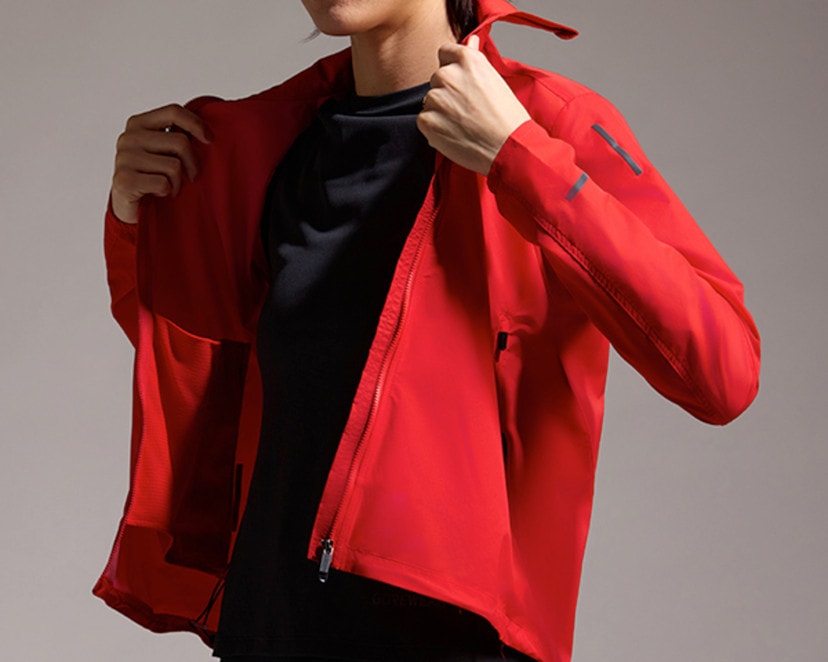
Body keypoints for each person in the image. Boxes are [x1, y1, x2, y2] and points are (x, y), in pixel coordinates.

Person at [95, 0, 761, 660]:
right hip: (267, 623)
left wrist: (521, 158)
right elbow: (194, 356)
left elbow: (723, 373)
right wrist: (134, 221)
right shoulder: (267, 140)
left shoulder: (546, 123)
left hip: (447, 634)